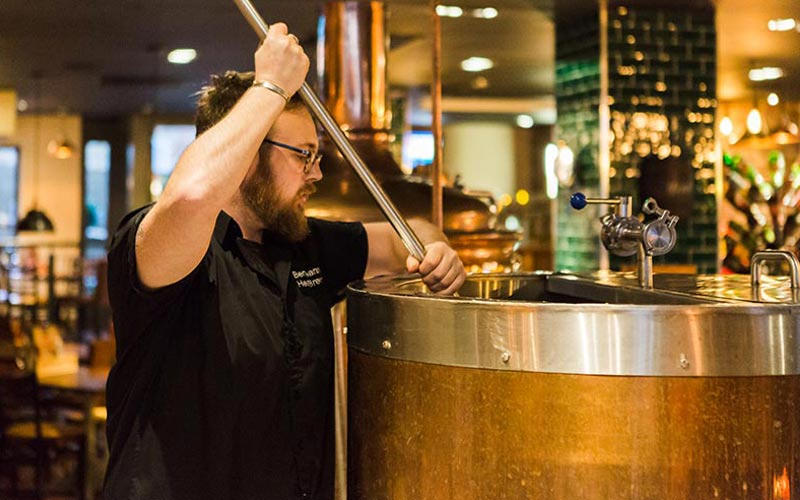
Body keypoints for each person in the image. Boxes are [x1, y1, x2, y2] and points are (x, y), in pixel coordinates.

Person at [103, 23, 465, 500]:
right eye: (303, 155)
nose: (315, 173)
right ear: (247, 155)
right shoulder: (158, 241)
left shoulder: (302, 244)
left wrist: (435, 250)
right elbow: (191, 195)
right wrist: (269, 86)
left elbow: (411, 236)